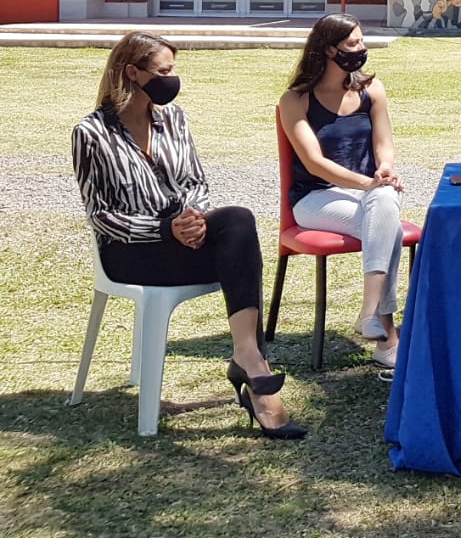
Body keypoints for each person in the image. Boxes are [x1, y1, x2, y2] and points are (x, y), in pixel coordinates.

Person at [72, 32, 304, 439]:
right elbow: (102, 216)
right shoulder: (91, 134)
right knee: (230, 239)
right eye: (163, 71)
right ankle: (256, 378)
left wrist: (193, 218)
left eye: (173, 70)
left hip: (183, 235)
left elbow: (196, 181)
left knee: (237, 220)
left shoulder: (174, 118)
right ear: (132, 73)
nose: (172, 79)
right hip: (131, 251)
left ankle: (248, 357)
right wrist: (165, 229)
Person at [280, 14, 405, 369]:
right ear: (328, 49)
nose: (361, 49)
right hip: (314, 199)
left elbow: (384, 143)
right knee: (387, 219)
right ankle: (386, 333)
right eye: (352, 44)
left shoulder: (370, 90)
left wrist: (383, 169)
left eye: (361, 41)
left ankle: (369, 314)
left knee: (385, 206)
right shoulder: (296, 100)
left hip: (367, 196)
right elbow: (314, 162)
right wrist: (369, 183)